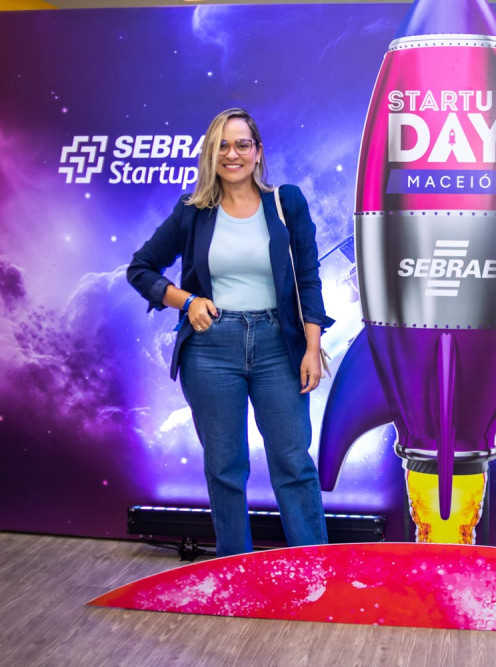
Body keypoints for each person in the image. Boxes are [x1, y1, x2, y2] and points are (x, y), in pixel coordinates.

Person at [127, 108, 334, 556]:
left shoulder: (287, 203)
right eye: (221, 144)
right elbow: (141, 269)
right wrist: (186, 301)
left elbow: (308, 278)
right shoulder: (192, 212)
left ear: (258, 152)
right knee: (224, 468)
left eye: (242, 144)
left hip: (278, 346)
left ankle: (313, 571)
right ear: (210, 153)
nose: (232, 153)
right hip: (210, 350)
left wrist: (312, 346)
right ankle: (234, 571)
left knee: (293, 463)